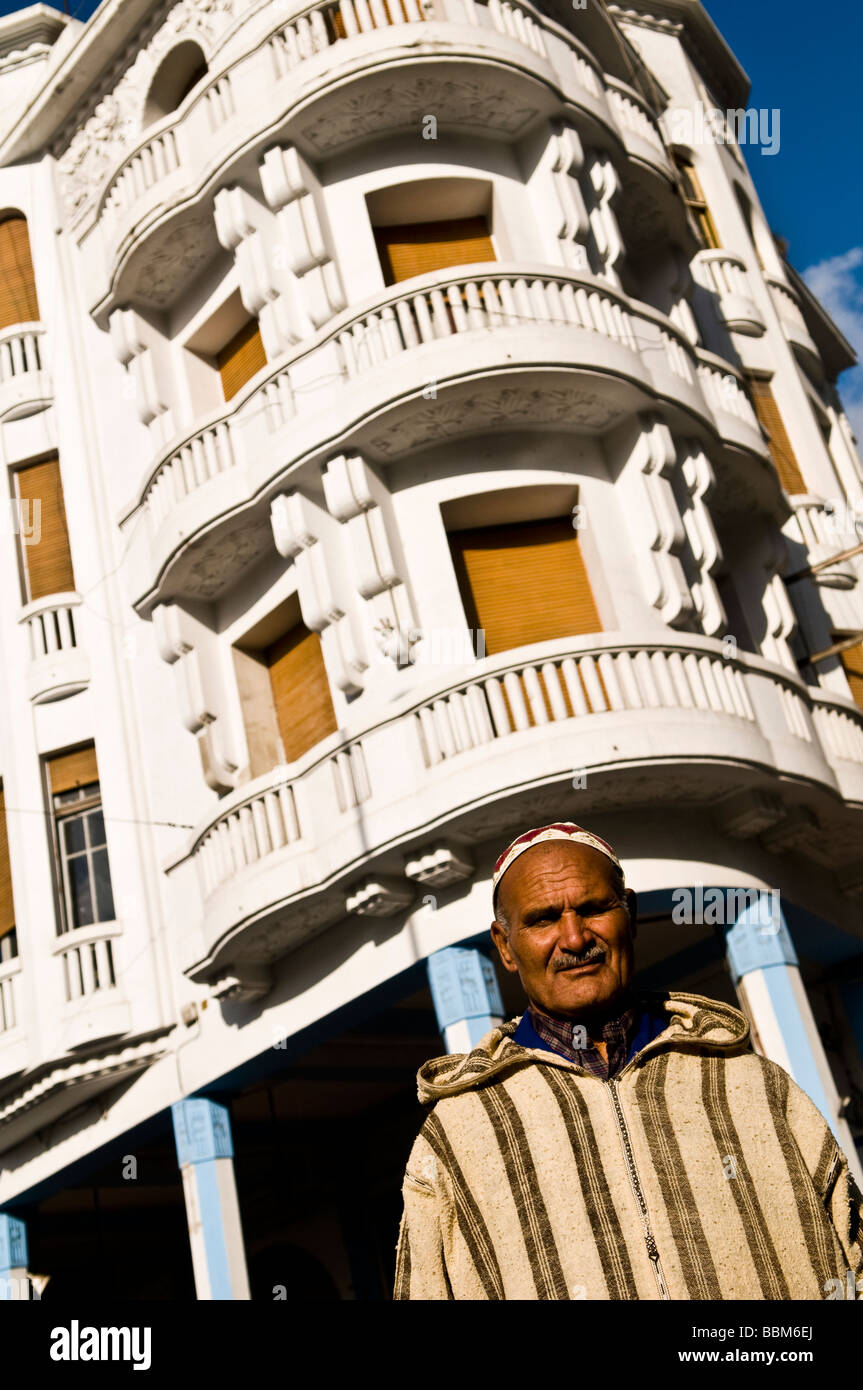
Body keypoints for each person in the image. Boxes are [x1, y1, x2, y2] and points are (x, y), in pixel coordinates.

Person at [393, 822, 863, 1299]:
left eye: (595, 908)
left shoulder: (750, 1084)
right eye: (543, 918)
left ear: (631, 914)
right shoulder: (460, 1132)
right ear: (505, 946)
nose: (575, 939)